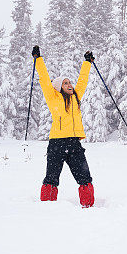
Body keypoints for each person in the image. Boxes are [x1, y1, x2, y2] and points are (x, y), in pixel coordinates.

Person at [31, 45, 96, 207]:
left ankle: (88, 206)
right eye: (65, 83)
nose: (69, 85)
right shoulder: (53, 98)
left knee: (84, 176)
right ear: (59, 87)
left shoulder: (76, 97)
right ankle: (47, 207)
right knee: (52, 177)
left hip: (74, 143)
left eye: (69, 82)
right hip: (57, 144)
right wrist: (38, 59)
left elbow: (82, 80)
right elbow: (45, 79)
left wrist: (87, 62)